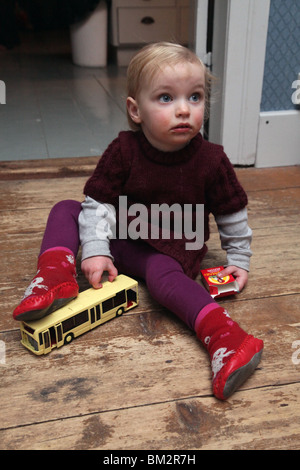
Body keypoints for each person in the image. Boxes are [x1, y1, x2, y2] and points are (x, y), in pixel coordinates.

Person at [13, 42, 263, 400]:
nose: (183, 110)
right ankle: (55, 276)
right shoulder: (123, 150)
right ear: (135, 110)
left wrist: (239, 259)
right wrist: (97, 249)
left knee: (163, 282)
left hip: (172, 248)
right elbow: (97, 202)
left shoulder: (211, 160)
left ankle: (226, 335)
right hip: (124, 235)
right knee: (66, 208)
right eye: (165, 98)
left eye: (195, 98)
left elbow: (231, 211)